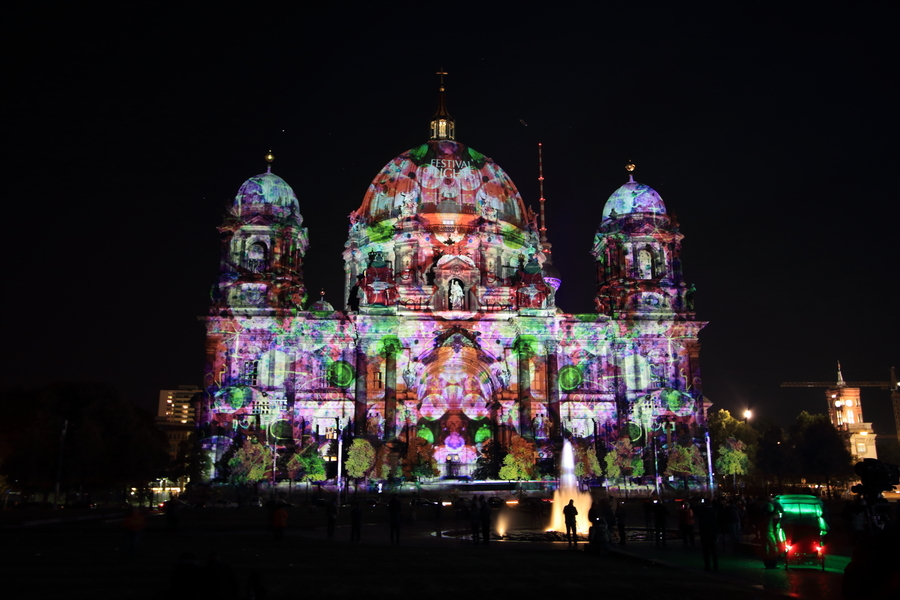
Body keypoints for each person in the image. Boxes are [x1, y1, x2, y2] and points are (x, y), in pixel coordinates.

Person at [697, 500, 719, 572]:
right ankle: (715, 565)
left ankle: (707, 566)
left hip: (705, 532)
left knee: (705, 550)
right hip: (712, 532)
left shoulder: (702, 511)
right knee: (713, 550)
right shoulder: (714, 511)